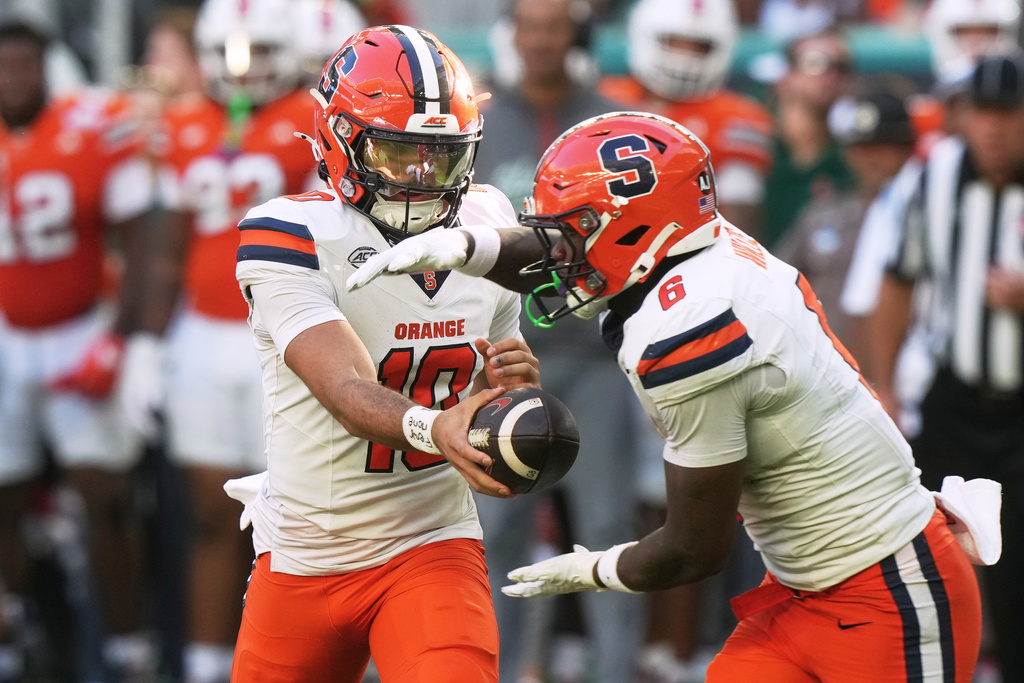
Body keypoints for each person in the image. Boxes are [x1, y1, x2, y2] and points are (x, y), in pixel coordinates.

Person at [347, 110, 992, 682]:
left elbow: (694, 547)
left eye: (573, 233)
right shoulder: (698, 250)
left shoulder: (689, 331)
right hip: (802, 587)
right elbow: (567, 251)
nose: (556, 254)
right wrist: (463, 246)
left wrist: (597, 568)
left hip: (889, 590)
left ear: (635, 231)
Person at [226, 25, 540, 683]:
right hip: (303, 556)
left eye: (443, 158)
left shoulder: (485, 222)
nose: (424, 180)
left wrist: (511, 388)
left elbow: (499, 370)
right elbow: (345, 389)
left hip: (429, 545)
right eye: (400, 156)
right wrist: (437, 425)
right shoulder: (288, 234)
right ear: (341, 141)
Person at [126, 0, 321, 681]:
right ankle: (209, 664)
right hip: (203, 335)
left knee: (296, 513)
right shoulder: (180, 125)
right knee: (212, 511)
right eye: (240, 53)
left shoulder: (311, 120)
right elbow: (163, 246)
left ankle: (294, 660)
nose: (249, 71)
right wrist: (145, 346)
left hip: (288, 333)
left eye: (265, 53)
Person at [472, 1, 641, 680]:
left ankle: (614, 668)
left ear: (574, 33)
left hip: (592, 353)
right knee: (495, 534)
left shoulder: (607, 123)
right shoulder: (481, 124)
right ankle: (497, 669)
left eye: (553, 25)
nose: (541, 40)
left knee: (607, 527)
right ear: (513, 34)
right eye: (530, 26)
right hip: (502, 357)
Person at [0, 18, 155, 681]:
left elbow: (142, 240)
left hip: (78, 323)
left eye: (25, 66)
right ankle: (13, 631)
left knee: (104, 492)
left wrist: (118, 340)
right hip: (7, 333)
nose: (14, 80)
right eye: (4, 68)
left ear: (48, 67)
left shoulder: (92, 129)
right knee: (4, 494)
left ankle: (128, 647)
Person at [872, 52, 1024, 682]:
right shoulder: (932, 178)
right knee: (930, 555)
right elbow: (897, 280)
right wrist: (883, 385)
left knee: (1018, 571)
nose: (993, 128)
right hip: (952, 396)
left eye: (1008, 114)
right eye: (983, 112)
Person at [775, 83, 917, 382]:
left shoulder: (923, 214)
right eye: (861, 147)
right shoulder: (824, 212)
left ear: (905, 148)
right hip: (822, 377)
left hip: (903, 378)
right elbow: (778, 285)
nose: (870, 158)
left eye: (883, 145)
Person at [599, 0, 773, 237]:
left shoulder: (736, 117)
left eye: (699, 47)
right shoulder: (607, 98)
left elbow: (737, 225)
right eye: (673, 42)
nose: (684, 57)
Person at [761, 28, 856, 249]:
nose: (831, 75)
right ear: (785, 77)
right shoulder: (753, 151)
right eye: (816, 63)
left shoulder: (851, 165)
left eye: (841, 68)